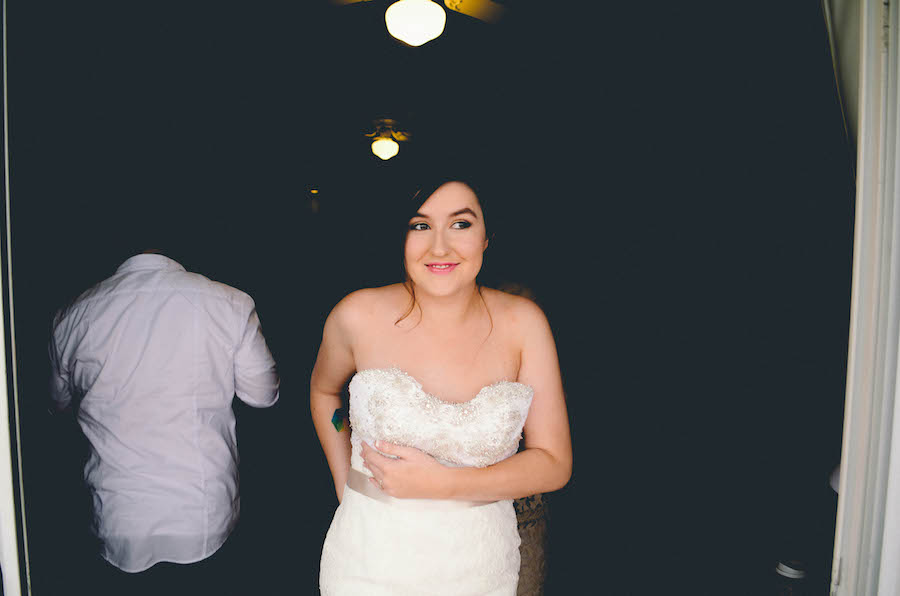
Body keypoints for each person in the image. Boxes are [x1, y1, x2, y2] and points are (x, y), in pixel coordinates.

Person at [311, 177, 572, 595]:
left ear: (487, 235)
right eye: (420, 225)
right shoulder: (356, 315)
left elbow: (554, 463)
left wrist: (445, 484)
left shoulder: (524, 324)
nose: (439, 247)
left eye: (461, 224)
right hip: (366, 562)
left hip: (480, 567)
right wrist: (347, 485)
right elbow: (326, 395)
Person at [48, 249, 280, 595]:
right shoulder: (229, 303)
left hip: (116, 516)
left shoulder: (72, 315)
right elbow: (263, 394)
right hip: (201, 513)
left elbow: (57, 403)